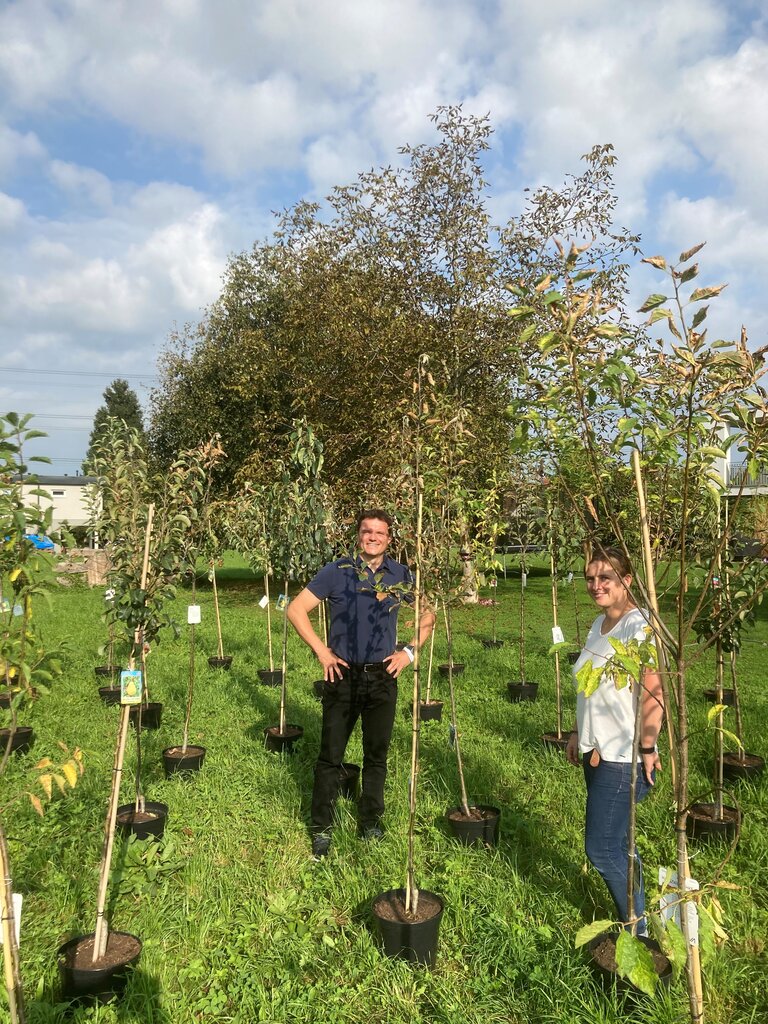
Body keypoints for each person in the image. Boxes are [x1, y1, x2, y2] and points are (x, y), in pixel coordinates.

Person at [287, 509, 435, 859]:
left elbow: (428, 614)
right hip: (342, 676)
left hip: (383, 676)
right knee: (330, 756)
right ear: (358, 535)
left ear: (389, 538)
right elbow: (296, 609)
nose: (372, 537)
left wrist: (409, 653)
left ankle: (370, 822)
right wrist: (323, 652)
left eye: (379, 533)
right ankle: (321, 828)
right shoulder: (337, 571)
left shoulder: (400, 574)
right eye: (366, 531)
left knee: (376, 756)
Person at [565, 546, 664, 934]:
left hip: (623, 756)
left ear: (627, 580)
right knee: (621, 843)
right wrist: (577, 732)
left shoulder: (638, 626)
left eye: (605, 577)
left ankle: (635, 928)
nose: (595, 585)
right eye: (590, 578)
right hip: (596, 750)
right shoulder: (599, 624)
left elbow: (653, 690)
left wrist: (647, 747)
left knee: (602, 849)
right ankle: (639, 913)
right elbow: (588, 687)